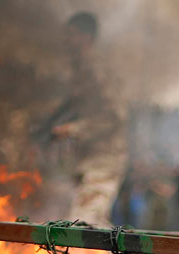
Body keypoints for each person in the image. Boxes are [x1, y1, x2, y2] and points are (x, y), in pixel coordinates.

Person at [43, 11, 127, 226]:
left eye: (72, 34)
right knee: (81, 221)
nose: (66, 40)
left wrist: (72, 129)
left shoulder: (100, 69)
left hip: (104, 157)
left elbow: (114, 117)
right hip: (85, 158)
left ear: (86, 37)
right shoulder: (81, 69)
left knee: (86, 222)